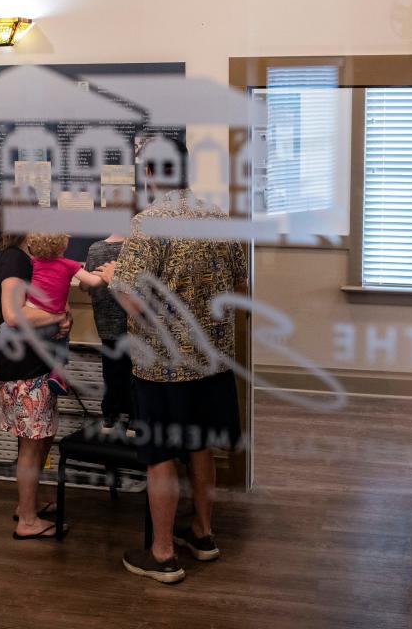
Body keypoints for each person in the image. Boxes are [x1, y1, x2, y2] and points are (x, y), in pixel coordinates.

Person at [98, 146, 248, 584]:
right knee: (201, 444)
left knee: (161, 453)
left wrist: (114, 284)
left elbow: (129, 296)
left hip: (163, 367)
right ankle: (202, 535)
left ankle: (162, 554)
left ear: (148, 173)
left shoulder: (147, 225)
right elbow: (242, 286)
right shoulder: (219, 218)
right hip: (214, 362)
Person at [0, 217, 72, 539]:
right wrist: (58, 316)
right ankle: (27, 520)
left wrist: (58, 317)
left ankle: (28, 504)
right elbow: (13, 313)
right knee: (32, 444)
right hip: (22, 366)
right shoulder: (14, 257)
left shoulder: (23, 256)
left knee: (40, 438)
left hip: (32, 362)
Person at [0, 232, 106, 400]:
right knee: (62, 340)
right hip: (36, 350)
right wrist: (107, 275)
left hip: (27, 348)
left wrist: (61, 316)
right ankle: (58, 373)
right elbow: (14, 315)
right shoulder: (21, 259)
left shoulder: (34, 262)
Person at [81, 233, 132, 433]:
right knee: (133, 373)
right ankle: (135, 419)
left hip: (105, 322)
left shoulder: (96, 249)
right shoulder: (137, 247)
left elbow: (85, 285)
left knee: (111, 372)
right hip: (132, 321)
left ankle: (110, 417)